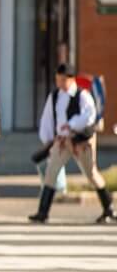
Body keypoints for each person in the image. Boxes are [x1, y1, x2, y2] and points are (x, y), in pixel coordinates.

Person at [30, 63, 113, 223]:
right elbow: (47, 118)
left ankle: (108, 208)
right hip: (62, 141)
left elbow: (89, 115)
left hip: (81, 140)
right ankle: (43, 212)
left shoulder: (82, 95)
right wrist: (48, 139)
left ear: (71, 79)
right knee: (51, 172)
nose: (59, 83)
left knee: (91, 173)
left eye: (62, 80)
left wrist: (72, 124)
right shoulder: (54, 96)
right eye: (57, 80)